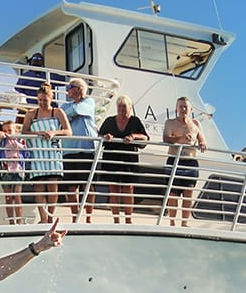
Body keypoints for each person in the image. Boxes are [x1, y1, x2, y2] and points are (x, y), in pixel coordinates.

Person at [18, 82, 69, 224]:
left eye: (45, 100)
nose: (42, 103)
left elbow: (68, 131)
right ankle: (43, 218)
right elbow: (24, 132)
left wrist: (54, 132)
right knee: (39, 185)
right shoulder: (31, 113)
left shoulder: (58, 112)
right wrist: (37, 133)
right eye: (39, 100)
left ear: (51, 98)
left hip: (53, 153)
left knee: (52, 186)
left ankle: (51, 217)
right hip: (37, 153)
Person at [96, 94, 149, 224]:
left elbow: (145, 138)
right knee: (113, 189)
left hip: (128, 159)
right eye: (119, 106)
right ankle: (116, 220)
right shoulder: (109, 121)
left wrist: (133, 136)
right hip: (112, 158)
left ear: (130, 108)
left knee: (128, 188)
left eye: (124, 106)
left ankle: (128, 219)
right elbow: (99, 135)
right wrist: (106, 136)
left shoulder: (135, 121)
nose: (121, 109)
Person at [59, 78, 98, 223]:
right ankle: (76, 217)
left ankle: (88, 218)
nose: (67, 90)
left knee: (87, 184)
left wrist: (67, 114)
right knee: (71, 186)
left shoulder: (89, 102)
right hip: (69, 150)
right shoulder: (65, 105)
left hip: (86, 149)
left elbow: (77, 110)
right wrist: (68, 114)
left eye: (70, 87)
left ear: (79, 89)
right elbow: (61, 115)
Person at [161, 96, 206, 226]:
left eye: (186, 106)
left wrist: (202, 143)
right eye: (181, 106)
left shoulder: (196, 124)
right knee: (173, 193)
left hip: (190, 161)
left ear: (191, 109)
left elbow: (202, 139)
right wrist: (181, 138)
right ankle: (172, 222)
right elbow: (166, 138)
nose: (183, 109)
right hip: (174, 160)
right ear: (177, 108)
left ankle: (184, 222)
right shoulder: (170, 122)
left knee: (188, 193)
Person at [0, 120, 27, 224]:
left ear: (16, 130)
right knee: (8, 197)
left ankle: (18, 221)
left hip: (18, 170)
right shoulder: (2, 141)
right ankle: (11, 221)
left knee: (17, 195)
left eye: (10, 130)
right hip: (6, 170)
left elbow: (26, 152)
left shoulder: (21, 140)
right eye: (5, 130)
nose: (7, 133)